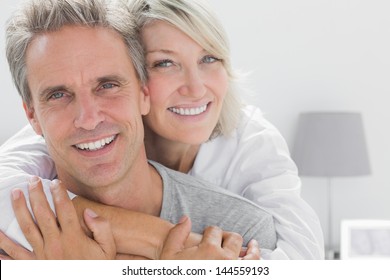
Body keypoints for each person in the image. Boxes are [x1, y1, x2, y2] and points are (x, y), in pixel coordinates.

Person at [0, 0, 324, 259]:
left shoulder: (242, 233)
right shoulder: (14, 225)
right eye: (58, 95)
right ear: (32, 115)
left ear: (142, 93)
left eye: (108, 85)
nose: (88, 118)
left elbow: (304, 255)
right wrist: (163, 244)